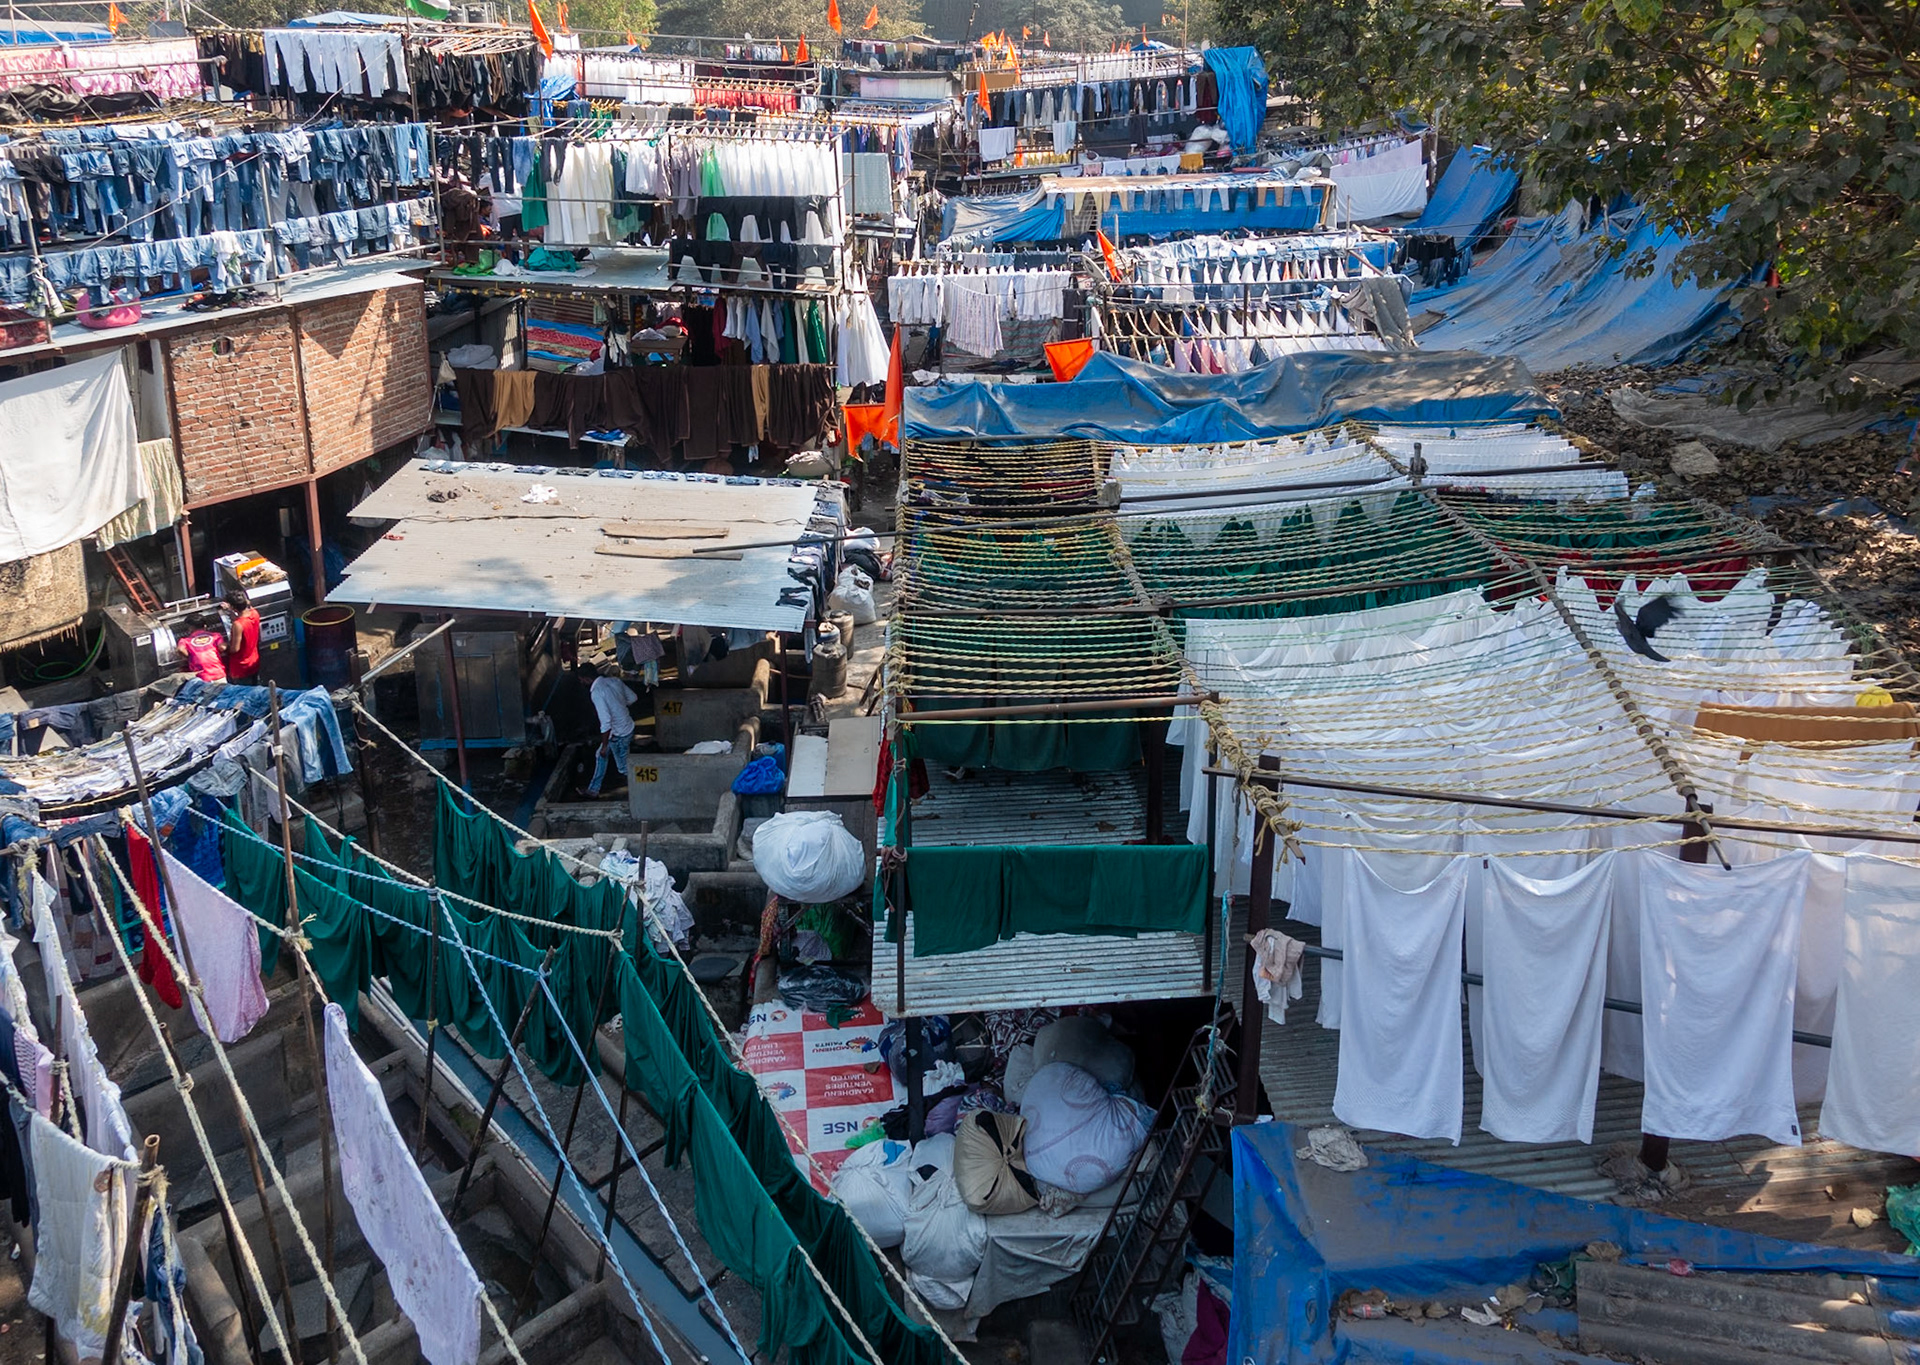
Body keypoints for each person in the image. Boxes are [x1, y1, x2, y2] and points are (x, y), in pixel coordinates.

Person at [585, 662, 638, 799]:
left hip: (618, 734)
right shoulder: (614, 681)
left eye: (581, 680)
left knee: (623, 768)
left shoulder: (597, 692)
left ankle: (641, 792)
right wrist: (619, 706)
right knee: (600, 756)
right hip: (627, 726)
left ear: (586, 679)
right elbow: (633, 698)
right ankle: (593, 790)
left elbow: (605, 722)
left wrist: (604, 745)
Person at [222, 587, 261, 683]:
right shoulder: (255, 614)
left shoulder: (238, 624)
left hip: (241, 667)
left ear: (233, 607)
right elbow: (248, 606)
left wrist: (225, 647)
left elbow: (235, 649)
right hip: (253, 662)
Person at [178, 616, 227, 683]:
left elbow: (180, 649)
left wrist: (190, 656)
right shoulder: (215, 636)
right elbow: (223, 647)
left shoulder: (185, 640)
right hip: (218, 673)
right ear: (205, 626)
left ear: (190, 628)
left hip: (201, 676)